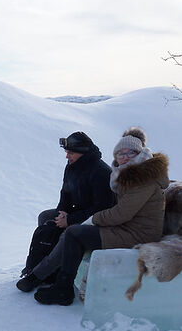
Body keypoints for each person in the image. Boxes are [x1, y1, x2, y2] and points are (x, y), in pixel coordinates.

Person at [33, 127, 169, 305]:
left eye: (131, 152)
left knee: (74, 233)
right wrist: (63, 213)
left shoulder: (140, 179)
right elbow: (66, 192)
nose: (125, 156)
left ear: (140, 153)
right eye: (121, 153)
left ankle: (61, 288)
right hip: (125, 226)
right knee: (52, 221)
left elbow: (117, 211)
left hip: (138, 233)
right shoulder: (125, 174)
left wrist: (88, 219)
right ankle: (45, 273)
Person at [16, 131, 115, 292]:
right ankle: (43, 265)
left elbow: (102, 208)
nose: (67, 156)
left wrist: (70, 220)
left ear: (83, 152)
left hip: (97, 220)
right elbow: (66, 193)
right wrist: (62, 212)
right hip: (78, 212)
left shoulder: (101, 172)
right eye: (66, 152)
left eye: (71, 153)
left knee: (67, 233)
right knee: (46, 217)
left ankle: (38, 275)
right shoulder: (72, 167)